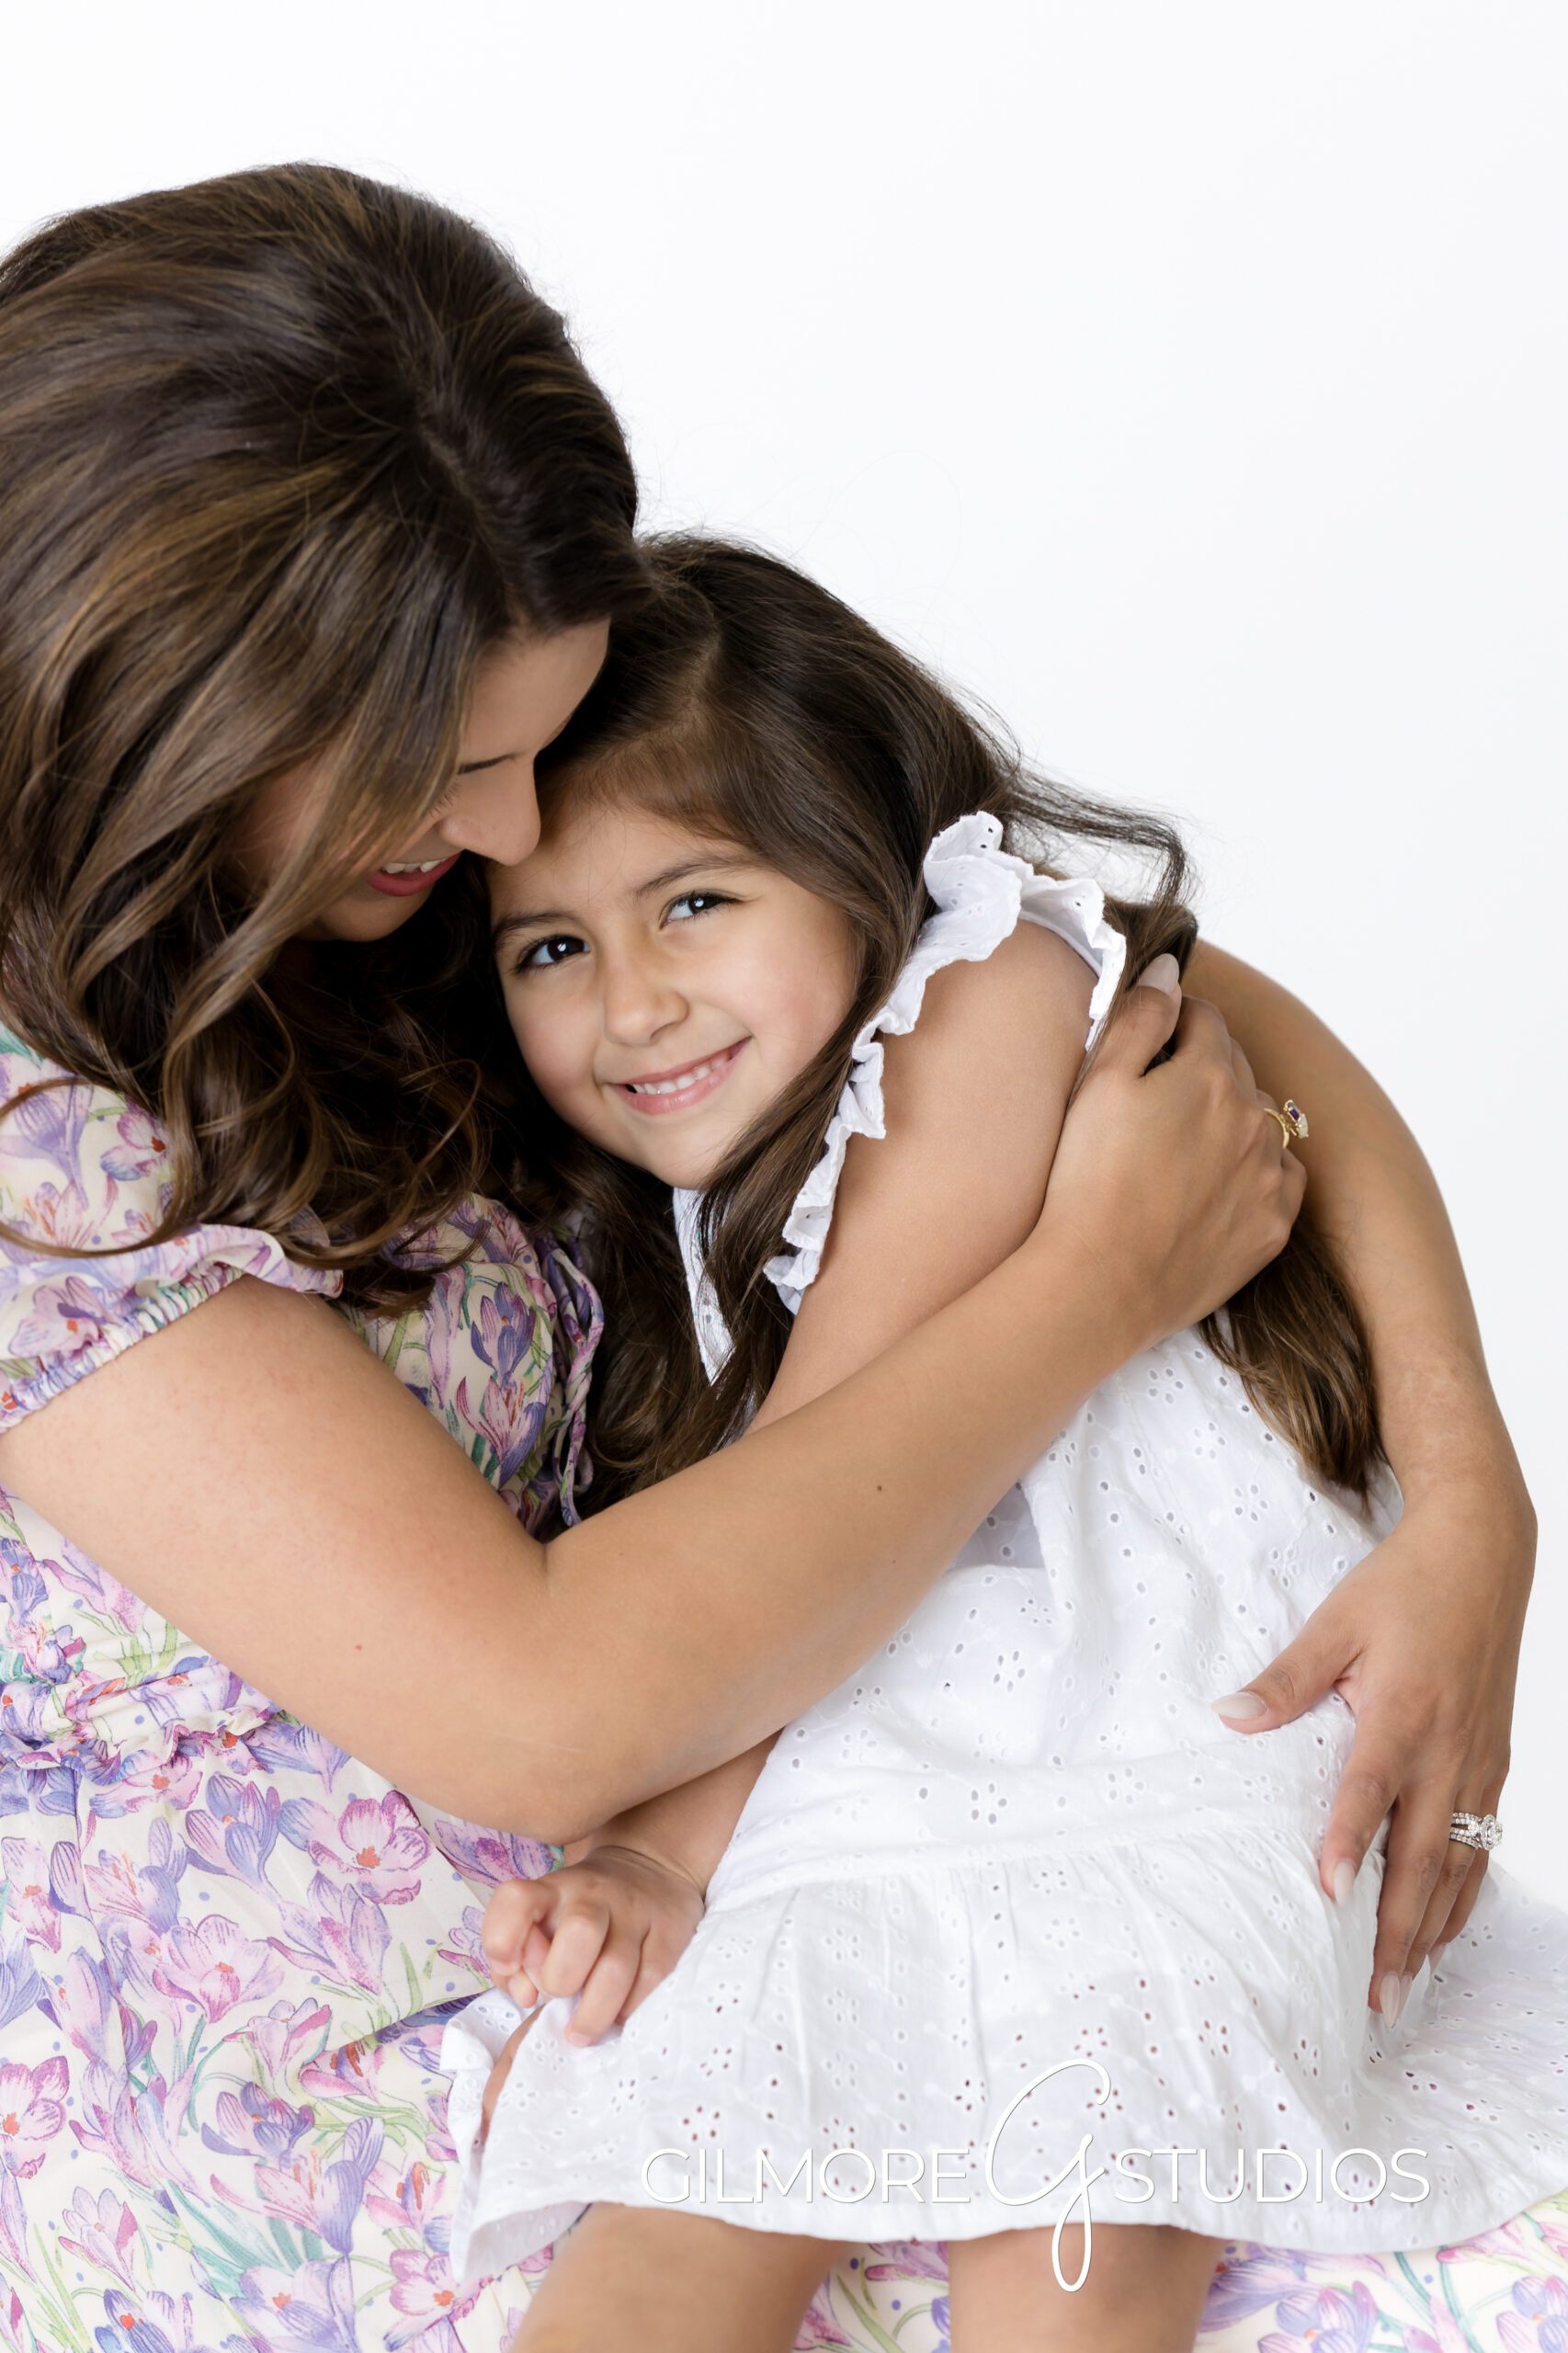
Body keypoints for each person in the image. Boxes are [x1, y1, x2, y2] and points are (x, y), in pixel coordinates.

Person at [0, 165, 1541, 2349]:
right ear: (183, 701)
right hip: (340, 2114)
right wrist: (1086, 1281)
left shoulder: (402, 876)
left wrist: (1470, 1489)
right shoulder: (44, 1141)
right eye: (460, 774)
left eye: (533, 754)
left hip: (786, 1869)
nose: (523, 837)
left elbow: (1183, 1008)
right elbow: (543, 1713)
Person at [430, 537, 1568, 2350]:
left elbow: (829, 1424)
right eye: (552, 946)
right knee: (676, 2194)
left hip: (1158, 1730)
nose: (629, 998)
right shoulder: (693, 1182)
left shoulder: (983, 986)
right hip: (886, 1745)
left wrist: (655, 1846)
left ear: (865, 865)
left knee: (1085, 2203)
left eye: (695, 902)